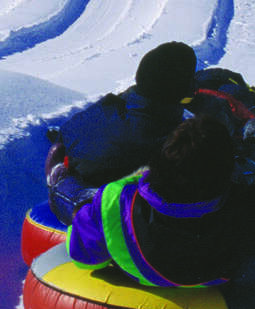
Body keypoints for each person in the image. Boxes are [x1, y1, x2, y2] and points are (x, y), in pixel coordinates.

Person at [65, 41, 255, 286]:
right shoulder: (248, 215)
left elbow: (81, 254)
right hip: (217, 280)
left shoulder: (114, 203)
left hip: (143, 273)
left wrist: (133, 182)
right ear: (225, 175)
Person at [46, 41, 198, 223]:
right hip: (128, 215)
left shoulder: (103, 110)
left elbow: (66, 134)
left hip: (89, 180)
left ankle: (62, 180)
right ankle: (68, 188)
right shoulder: (173, 137)